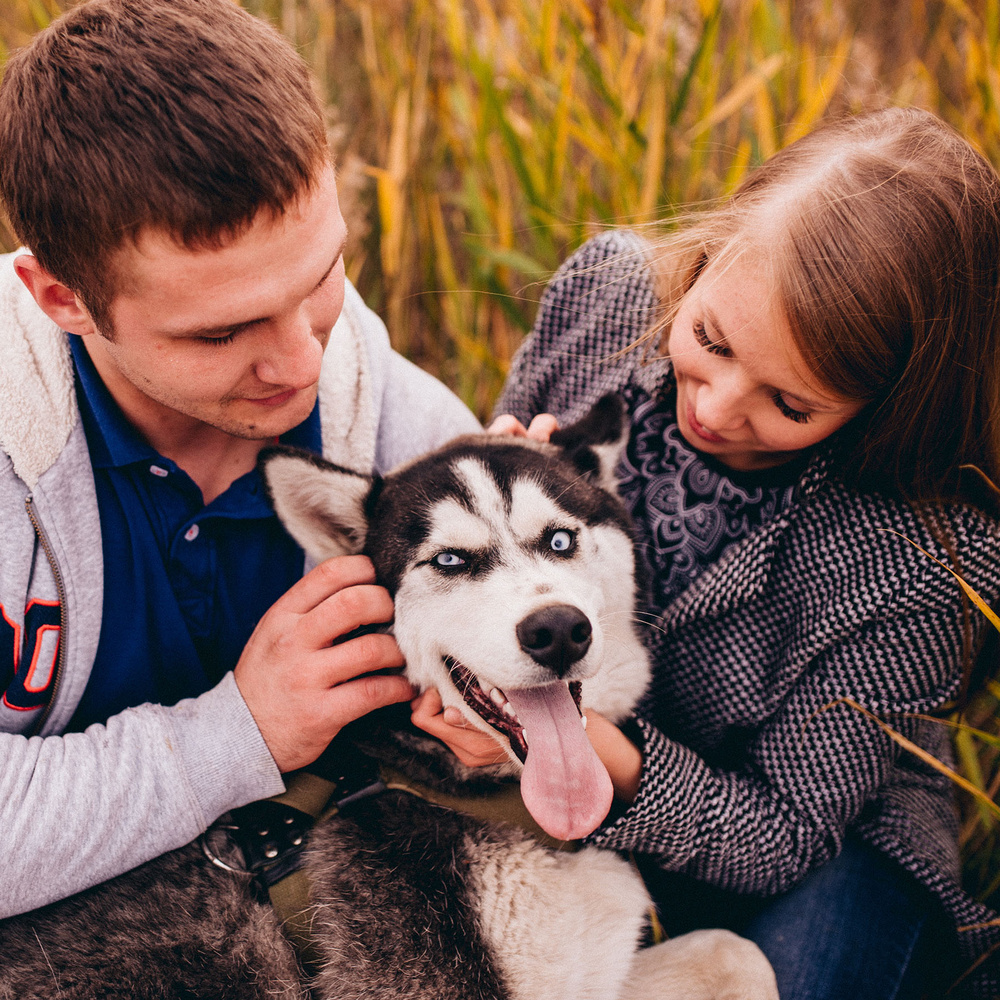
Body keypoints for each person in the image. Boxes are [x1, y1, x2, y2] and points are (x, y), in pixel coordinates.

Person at [411, 107, 1000, 998]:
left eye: (790, 405)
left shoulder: (921, 560)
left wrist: (605, 757)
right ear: (709, 253)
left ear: (891, 401)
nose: (719, 410)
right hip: (546, 751)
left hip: (810, 850)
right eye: (712, 342)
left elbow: (785, 834)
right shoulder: (608, 300)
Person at [0, 0, 479, 917]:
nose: (302, 363)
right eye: (221, 332)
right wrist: (240, 734)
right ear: (61, 298)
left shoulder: (408, 437)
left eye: (321, 278)